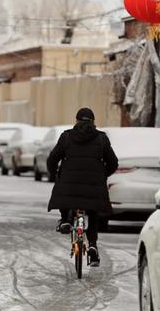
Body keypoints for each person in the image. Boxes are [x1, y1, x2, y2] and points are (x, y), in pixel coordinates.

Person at [47, 108, 118, 267]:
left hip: (69, 183)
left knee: (65, 195)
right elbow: (113, 162)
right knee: (92, 212)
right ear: (93, 121)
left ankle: (65, 220)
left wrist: (55, 175)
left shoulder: (66, 137)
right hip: (94, 184)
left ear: (76, 120)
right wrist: (103, 175)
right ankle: (92, 245)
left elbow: (52, 159)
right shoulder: (101, 139)